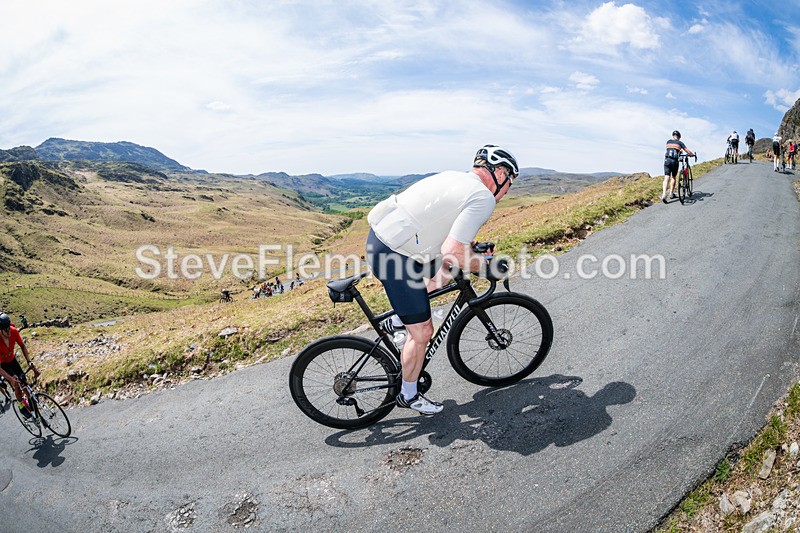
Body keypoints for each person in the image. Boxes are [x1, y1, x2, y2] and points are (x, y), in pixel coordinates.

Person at [366, 144, 517, 415]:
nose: (508, 191)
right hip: (396, 256)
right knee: (423, 332)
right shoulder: (484, 197)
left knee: (444, 272)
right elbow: (452, 251)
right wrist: (486, 268)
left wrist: (473, 250)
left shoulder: (456, 178)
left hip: (387, 241)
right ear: (500, 173)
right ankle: (409, 395)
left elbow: (449, 235)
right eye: (511, 181)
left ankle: (400, 319)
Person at [0, 313, 39, 417]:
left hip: (12, 360)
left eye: (9, 328)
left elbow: (22, 345)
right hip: (3, 365)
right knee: (16, 383)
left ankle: (30, 400)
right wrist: (10, 378)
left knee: (24, 381)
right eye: (5, 330)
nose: (8, 332)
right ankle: (21, 405)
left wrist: (29, 361)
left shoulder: (13, 331)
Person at [662, 131, 696, 203]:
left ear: (673, 135)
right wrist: (692, 155)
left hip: (667, 160)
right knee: (673, 177)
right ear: (679, 137)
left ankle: (664, 194)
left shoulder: (668, 142)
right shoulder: (680, 143)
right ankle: (671, 193)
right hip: (674, 161)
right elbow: (687, 151)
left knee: (666, 177)